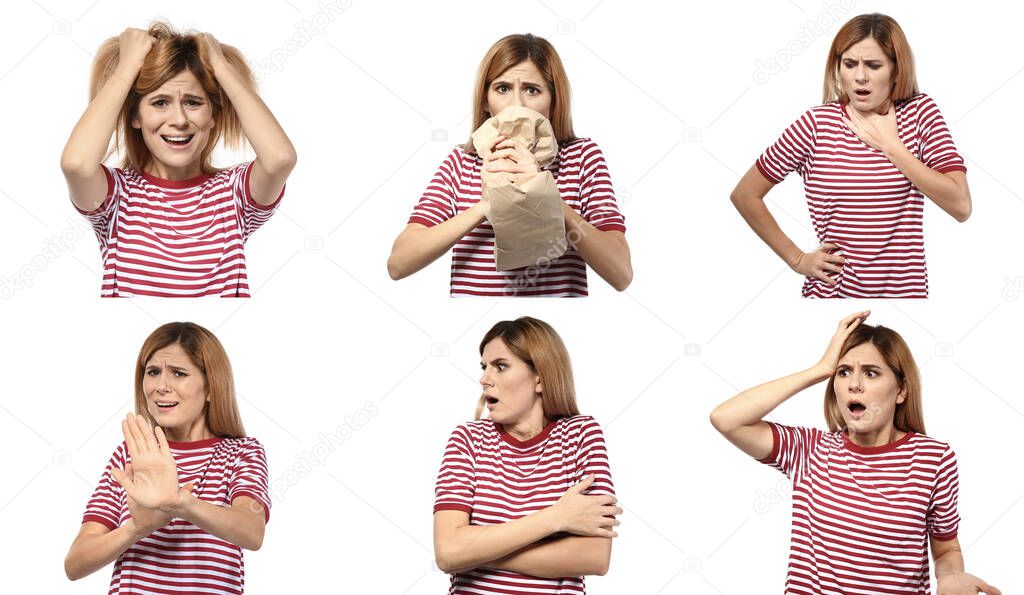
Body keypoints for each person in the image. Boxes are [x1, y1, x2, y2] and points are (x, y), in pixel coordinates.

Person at [709, 312, 1000, 594]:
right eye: (844, 372)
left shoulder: (933, 459)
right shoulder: (809, 451)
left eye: (870, 373)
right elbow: (727, 418)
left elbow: (946, 547)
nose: (854, 384)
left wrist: (951, 577)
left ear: (901, 390)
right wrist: (819, 369)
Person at [731, 13, 970, 298]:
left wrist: (892, 146)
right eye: (849, 64)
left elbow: (961, 206)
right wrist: (797, 259)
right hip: (832, 296)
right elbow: (745, 194)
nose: (860, 77)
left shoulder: (920, 114)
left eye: (874, 65)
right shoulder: (816, 124)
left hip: (906, 298)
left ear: (897, 70)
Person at [61, 23, 296, 297]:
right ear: (135, 116)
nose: (180, 120)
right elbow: (76, 163)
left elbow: (280, 158)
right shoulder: (116, 196)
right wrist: (128, 67)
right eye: (160, 102)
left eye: (193, 102)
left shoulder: (233, 194)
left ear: (213, 116)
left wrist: (220, 67)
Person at [388, 34, 632, 297]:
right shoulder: (462, 163)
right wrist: (489, 202)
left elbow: (621, 274)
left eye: (532, 90)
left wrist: (542, 192)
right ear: (485, 100)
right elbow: (399, 264)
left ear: (553, 99)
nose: (517, 104)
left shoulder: (581, 157)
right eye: (503, 88)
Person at [65, 322, 270, 594]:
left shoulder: (241, 453)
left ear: (210, 387)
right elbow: (75, 564)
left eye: (178, 373)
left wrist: (181, 504)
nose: (161, 386)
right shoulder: (130, 454)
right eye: (153, 372)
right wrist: (136, 529)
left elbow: (252, 532)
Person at [433, 317, 620, 593]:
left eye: (501, 366)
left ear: (539, 378)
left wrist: (477, 553)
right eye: (484, 367)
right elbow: (448, 552)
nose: (484, 379)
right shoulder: (468, 439)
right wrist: (556, 517)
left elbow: (595, 556)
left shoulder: (581, 435)